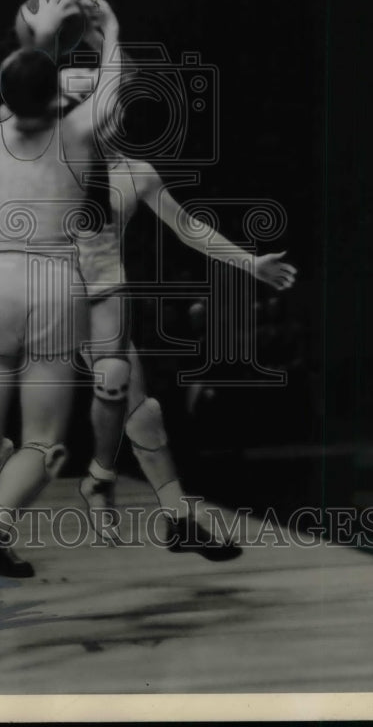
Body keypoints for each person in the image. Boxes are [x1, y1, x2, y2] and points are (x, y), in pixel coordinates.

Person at [0, 0, 123, 637]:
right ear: (57, 96)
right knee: (45, 443)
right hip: (53, 281)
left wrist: (36, 41)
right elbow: (110, 90)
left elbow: (16, 98)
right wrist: (110, 29)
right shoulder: (78, 132)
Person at [71, 131, 297, 555]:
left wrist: (249, 263)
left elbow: (188, 227)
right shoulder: (44, 155)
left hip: (97, 300)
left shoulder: (135, 173)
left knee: (143, 412)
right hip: (32, 296)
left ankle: (177, 519)